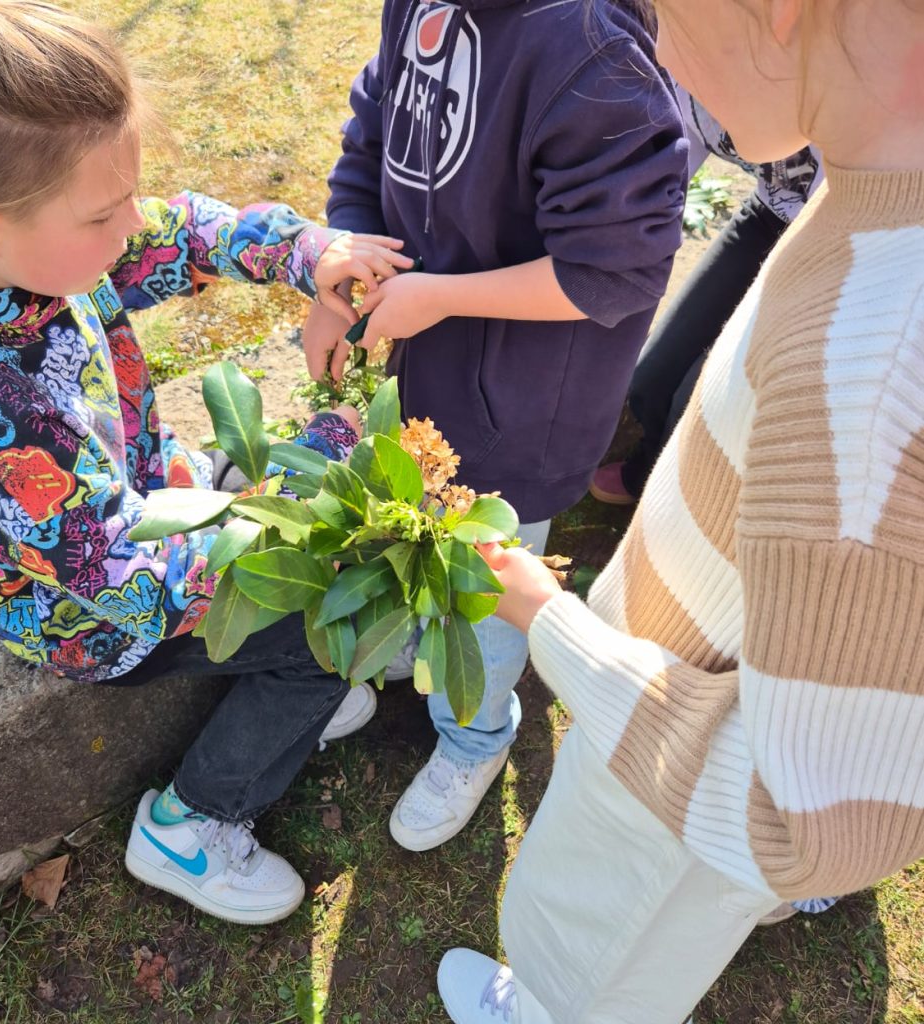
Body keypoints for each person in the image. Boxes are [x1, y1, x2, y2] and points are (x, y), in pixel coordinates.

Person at [436, 0, 924, 1020]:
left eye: (654, 6)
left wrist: (545, 620)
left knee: (584, 961)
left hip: (666, 817)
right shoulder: (873, 192)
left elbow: (796, 819)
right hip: (672, 718)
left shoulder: (874, 367)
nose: (654, 44)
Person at [0, 0, 411, 925]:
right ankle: (193, 823)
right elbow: (123, 579)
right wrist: (305, 483)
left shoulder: (29, 258)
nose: (130, 232)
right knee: (336, 636)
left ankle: (281, 697)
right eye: (104, 214)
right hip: (93, 616)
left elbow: (180, 232)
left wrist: (303, 252)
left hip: (141, 496)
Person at [303, 0, 687, 852]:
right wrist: (342, 268)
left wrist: (440, 297)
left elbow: (613, 270)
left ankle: (473, 731)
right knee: (417, 527)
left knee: (486, 582)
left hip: (525, 403)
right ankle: (424, 646)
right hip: (422, 368)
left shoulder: (591, 52)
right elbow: (374, 129)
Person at [590, 85, 825, 505]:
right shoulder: (685, 76)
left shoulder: (819, 83)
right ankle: (650, 470)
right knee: (651, 375)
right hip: (769, 212)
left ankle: (684, 506)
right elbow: (666, 188)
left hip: (831, 236)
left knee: (700, 394)